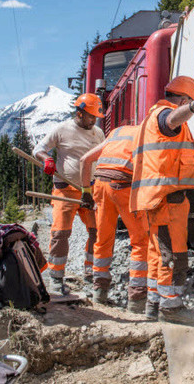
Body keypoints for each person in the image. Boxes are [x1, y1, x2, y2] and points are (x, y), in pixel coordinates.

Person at [129, 76, 194, 321]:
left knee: (158, 253)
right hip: (167, 197)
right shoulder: (163, 115)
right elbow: (172, 120)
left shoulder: (149, 118)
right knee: (174, 254)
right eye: (187, 102)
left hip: (156, 197)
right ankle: (171, 308)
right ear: (182, 99)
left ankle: (153, 306)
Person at [33, 93, 105, 295]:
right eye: (90, 116)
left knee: (96, 232)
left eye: (95, 117)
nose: (93, 120)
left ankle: (91, 274)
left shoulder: (98, 133)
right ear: (80, 113)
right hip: (65, 188)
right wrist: (46, 159)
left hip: (90, 190)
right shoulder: (62, 129)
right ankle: (56, 278)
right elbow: (39, 148)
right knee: (61, 233)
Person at [79, 125, 149, 312]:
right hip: (123, 185)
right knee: (141, 241)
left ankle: (99, 293)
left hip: (101, 185)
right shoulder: (146, 133)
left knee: (103, 239)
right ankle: (136, 300)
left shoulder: (117, 133)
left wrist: (86, 192)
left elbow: (85, 159)